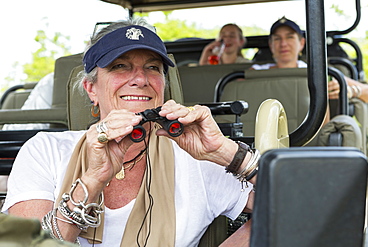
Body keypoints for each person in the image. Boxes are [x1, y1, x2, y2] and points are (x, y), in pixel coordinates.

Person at [2, 18, 259, 246]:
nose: (140, 79)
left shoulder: (196, 157)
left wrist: (225, 152)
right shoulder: (45, 150)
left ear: (163, 85)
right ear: (91, 89)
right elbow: (28, 244)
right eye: (120, 66)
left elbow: (289, 205)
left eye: (153, 67)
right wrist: (92, 180)